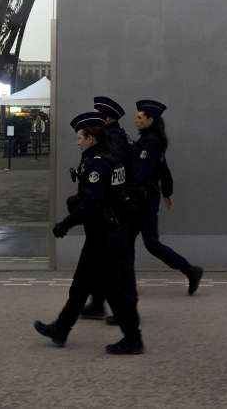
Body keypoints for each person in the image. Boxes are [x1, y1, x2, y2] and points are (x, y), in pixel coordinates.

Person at [34, 112, 143, 354]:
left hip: (105, 235)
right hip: (107, 232)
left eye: (80, 137)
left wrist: (66, 223)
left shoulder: (97, 162)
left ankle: (133, 338)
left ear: (91, 138)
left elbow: (93, 203)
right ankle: (61, 329)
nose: (78, 141)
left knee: (112, 290)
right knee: (82, 285)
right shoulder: (108, 158)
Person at [120, 100, 203, 303]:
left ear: (150, 120)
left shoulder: (151, 143)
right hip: (145, 198)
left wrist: (128, 192)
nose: (136, 120)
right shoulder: (149, 140)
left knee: (150, 243)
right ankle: (128, 286)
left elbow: (144, 171)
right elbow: (163, 170)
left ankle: (190, 270)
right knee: (129, 242)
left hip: (143, 200)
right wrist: (167, 193)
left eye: (140, 117)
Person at [80, 96, 133, 320]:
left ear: (108, 118)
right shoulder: (119, 137)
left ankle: (126, 317)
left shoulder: (113, 140)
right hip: (111, 208)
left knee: (113, 263)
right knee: (103, 261)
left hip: (110, 210)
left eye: (100, 115)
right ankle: (98, 303)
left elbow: (109, 174)